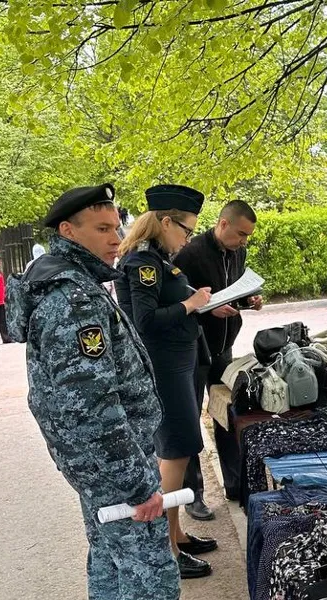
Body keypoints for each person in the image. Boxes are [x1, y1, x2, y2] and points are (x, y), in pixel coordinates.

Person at [5, 184, 180, 599]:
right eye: (102, 229)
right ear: (68, 231)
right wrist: (138, 485)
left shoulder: (75, 282)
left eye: (116, 228)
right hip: (112, 467)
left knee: (110, 560)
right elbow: (93, 409)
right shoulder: (74, 300)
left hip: (97, 464)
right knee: (150, 576)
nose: (116, 239)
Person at [116, 184, 219, 579]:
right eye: (186, 229)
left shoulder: (159, 259)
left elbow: (167, 301)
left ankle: (176, 534)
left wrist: (200, 302)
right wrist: (190, 304)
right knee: (175, 450)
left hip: (178, 362)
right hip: (165, 367)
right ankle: (167, 550)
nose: (188, 238)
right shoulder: (143, 262)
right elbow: (144, 321)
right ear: (164, 222)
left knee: (181, 448)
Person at [173, 199, 262, 514]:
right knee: (189, 421)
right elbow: (178, 301)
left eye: (247, 236)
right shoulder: (189, 253)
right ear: (223, 224)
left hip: (224, 346)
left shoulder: (238, 252)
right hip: (195, 348)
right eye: (240, 234)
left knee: (227, 413)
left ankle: (235, 484)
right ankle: (192, 495)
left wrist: (249, 301)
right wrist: (208, 310)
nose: (244, 241)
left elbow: (232, 291)